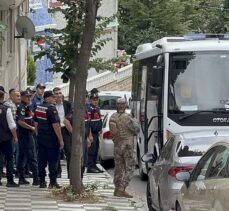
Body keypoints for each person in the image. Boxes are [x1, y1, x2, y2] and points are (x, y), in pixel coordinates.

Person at [109, 98, 140, 198]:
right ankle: (121, 189)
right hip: (127, 145)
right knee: (130, 167)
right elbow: (136, 130)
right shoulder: (128, 117)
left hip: (117, 145)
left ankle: (117, 187)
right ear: (125, 105)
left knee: (118, 167)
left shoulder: (112, 117)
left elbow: (113, 133)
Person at [34, 91, 64, 188]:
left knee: (41, 160)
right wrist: (60, 140)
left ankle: (42, 181)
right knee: (53, 160)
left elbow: (35, 123)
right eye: (53, 97)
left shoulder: (38, 108)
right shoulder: (51, 109)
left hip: (41, 138)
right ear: (47, 98)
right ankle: (53, 182)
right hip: (51, 139)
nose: (55, 99)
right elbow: (56, 125)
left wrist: (38, 134)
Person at [16, 90, 39, 185]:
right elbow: (20, 122)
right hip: (25, 135)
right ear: (22, 97)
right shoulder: (21, 107)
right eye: (27, 96)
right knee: (32, 157)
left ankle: (21, 177)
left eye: (30, 96)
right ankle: (36, 179)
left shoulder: (26, 107)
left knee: (21, 157)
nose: (29, 98)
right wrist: (32, 127)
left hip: (25, 135)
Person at [0, 86, 19, 187]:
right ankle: (10, 181)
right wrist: (15, 137)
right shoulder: (6, 109)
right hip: (6, 138)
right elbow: (12, 125)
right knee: (9, 158)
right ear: (2, 97)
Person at [53, 87, 72, 178]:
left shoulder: (67, 104)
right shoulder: (51, 106)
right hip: (55, 130)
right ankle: (58, 172)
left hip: (65, 130)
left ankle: (70, 173)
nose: (58, 95)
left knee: (69, 152)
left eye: (60, 93)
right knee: (56, 152)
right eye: (56, 94)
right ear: (53, 96)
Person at [4, 89, 21, 175]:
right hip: (10, 133)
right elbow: (12, 123)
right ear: (11, 96)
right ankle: (11, 173)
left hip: (9, 133)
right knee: (10, 154)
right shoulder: (10, 106)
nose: (19, 98)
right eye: (17, 96)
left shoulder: (13, 105)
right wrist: (15, 136)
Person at [87, 93, 103, 173]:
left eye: (97, 100)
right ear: (90, 100)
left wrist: (100, 129)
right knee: (91, 150)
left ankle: (94, 165)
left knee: (96, 149)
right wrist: (89, 135)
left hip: (97, 132)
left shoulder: (97, 109)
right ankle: (90, 166)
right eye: (94, 100)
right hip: (92, 133)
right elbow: (88, 123)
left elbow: (99, 119)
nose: (96, 101)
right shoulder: (89, 109)